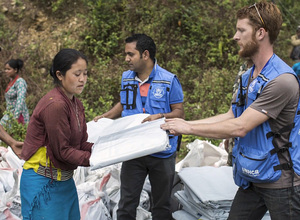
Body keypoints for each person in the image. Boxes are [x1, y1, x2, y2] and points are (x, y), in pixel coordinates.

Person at [161, 2, 300, 219]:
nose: (235, 36)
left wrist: (188, 128)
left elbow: (240, 127)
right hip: (252, 177)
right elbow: (231, 116)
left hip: (281, 181)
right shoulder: (248, 77)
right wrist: (183, 125)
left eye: (242, 30)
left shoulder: (282, 80)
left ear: (261, 33)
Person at [94, 33, 184, 220]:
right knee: (127, 203)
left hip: (162, 152)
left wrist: (160, 116)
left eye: (130, 54)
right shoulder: (127, 78)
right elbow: (123, 103)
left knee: (161, 205)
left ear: (145, 55)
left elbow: (179, 112)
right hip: (133, 151)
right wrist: (106, 116)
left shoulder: (168, 80)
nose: (126, 59)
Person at [20, 48, 93, 220]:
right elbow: (63, 151)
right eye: (77, 74)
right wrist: (94, 159)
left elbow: (81, 144)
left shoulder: (76, 103)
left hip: (65, 182)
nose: (82, 79)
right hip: (43, 183)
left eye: (85, 73)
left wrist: (107, 149)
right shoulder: (56, 105)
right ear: (60, 75)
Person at [1, 58, 30, 126]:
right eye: (5, 69)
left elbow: (21, 99)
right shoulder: (11, 82)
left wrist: (15, 117)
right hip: (9, 114)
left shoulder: (20, 82)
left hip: (18, 116)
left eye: (8, 69)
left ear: (15, 70)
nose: (6, 71)